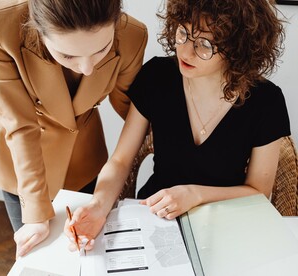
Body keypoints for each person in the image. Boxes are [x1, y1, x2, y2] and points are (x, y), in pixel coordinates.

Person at [65, 0, 290, 251]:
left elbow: (258, 191)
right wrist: (98, 205)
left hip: (225, 223)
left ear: (238, 48)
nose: (185, 51)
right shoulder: (157, 76)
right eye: (182, 33)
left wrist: (194, 195)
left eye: (204, 45)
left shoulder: (266, 101)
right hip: (154, 216)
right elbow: (120, 161)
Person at [0, 0, 147, 258]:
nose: (87, 68)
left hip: (83, 155)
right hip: (20, 161)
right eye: (68, 55)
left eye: (102, 49)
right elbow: (19, 123)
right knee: (38, 256)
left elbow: (132, 111)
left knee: (87, 254)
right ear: (38, 30)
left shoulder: (132, 36)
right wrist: (35, 213)